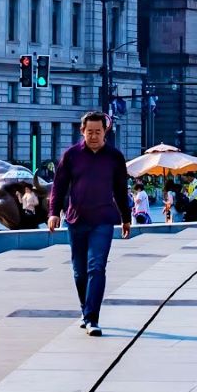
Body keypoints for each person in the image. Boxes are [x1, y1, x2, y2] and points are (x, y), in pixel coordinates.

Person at [48, 111, 132, 337]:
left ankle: (92, 318)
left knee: (97, 267)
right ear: (82, 131)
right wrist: (53, 213)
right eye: (89, 132)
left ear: (106, 131)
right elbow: (59, 187)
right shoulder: (71, 155)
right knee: (79, 272)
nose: (93, 136)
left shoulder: (114, 157)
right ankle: (86, 310)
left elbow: (121, 190)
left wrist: (126, 217)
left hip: (103, 220)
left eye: (98, 131)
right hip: (76, 220)